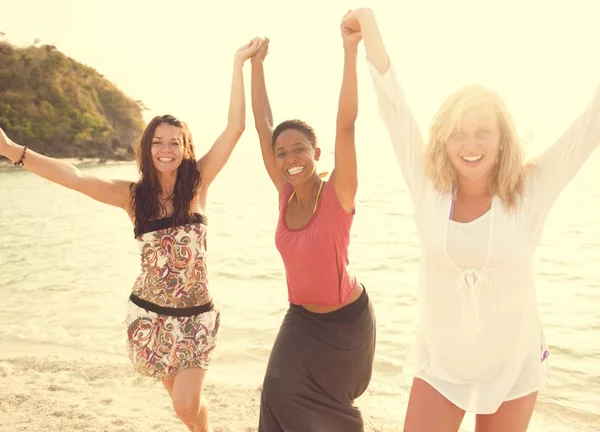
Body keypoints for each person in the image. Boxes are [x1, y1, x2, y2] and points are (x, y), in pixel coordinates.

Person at [342, 7, 600, 432]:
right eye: (459, 133)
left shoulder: (531, 187)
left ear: (502, 139)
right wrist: (369, 25)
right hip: (442, 362)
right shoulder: (427, 183)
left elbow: (589, 126)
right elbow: (393, 105)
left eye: (483, 132)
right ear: (443, 139)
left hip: (514, 361)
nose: (470, 144)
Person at [0, 37, 263, 432]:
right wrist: (10, 149)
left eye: (175, 142)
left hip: (196, 317)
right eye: (158, 142)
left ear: (185, 148)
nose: (166, 149)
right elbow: (74, 178)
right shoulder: (132, 197)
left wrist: (238, 65)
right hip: (151, 317)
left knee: (188, 402)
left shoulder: (199, 186)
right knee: (182, 408)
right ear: (147, 148)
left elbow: (236, 127)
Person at [250, 18, 376, 432]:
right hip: (301, 318)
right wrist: (256, 66)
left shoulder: (338, 193)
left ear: (316, 152)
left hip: (346, 324)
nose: (291, 159)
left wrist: (350, 51)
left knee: (320, 412)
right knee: (274, 394)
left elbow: (346, 123)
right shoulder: (285, 192)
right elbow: (263, 124)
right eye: (282, 153)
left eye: (299, 149)